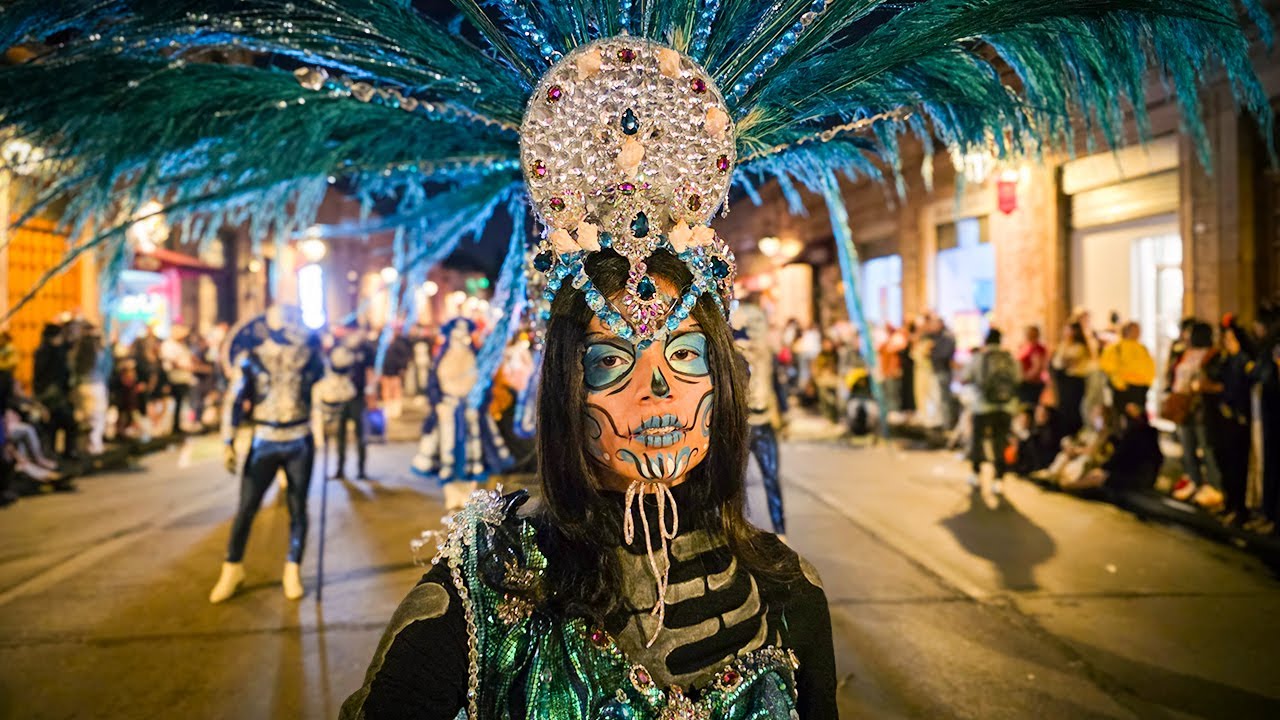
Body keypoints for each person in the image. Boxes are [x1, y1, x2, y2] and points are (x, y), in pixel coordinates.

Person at [343, 250, 836, 719]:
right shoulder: (489, 585)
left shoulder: (790, 587)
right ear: (567, 390)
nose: (657, 389)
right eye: (612, 360)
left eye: (684, 352)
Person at [210, 306, 324, 603]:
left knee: (298, 507)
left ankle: (292, 568)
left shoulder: (309, 355)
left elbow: (324, 388)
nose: (294, 329)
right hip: (265, 439)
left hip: (299, 438)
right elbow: (235, 398)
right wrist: (228, 439)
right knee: (247, 507)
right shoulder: (253, 356)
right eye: (288, 323)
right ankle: (232, 567)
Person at [734, 302, 788, 537]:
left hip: (764, 424)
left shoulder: (767, 357)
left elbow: (776, 385)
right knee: (736, 484)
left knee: (771, 479)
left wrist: (783, 414)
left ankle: (781, 532)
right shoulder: (736, 356)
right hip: (743, 426)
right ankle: (737, 533)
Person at [1166, 321, 1221, 506]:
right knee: (1187, 445)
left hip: (1199, 405)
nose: (1186, 336)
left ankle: (1214, 486)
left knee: (1206, 445)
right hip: (1182, 404)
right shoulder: (1183, 353)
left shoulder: (1211, 354)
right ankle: (1194, 481)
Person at [1205, 318, 1253, 524]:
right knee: (1224, 461)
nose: (1227, 342)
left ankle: (1238, 508)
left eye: (1231, 339)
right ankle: (1229, 503)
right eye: (1225, 338)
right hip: (1220, 418)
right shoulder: (1223, 359)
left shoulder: (1243, 361)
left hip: (1236, 419)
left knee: (1237, 466)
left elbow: (1237, 389)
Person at [963, 329, 1019, 494]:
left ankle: (975, 473)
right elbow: (1018, 378)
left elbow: (966, 376)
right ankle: (999, 478)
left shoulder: (979, 357)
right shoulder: (1009, 358)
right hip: (1006, 406)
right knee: (1000, 441)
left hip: (982, 406)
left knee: (978, 439)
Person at [329, 321, 377, 481]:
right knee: (339, 434)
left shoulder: (365, 348)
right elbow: (331, 371)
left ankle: (361, 470)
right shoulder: (338, 347)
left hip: (358, 396)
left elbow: (370, 371)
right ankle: (340, 469)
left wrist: (371, 394)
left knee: (360, 435)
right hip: (339, 398)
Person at [1097, 321, 1156, 412]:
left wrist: (1148, 383)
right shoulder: (1116, 348)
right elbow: (1109, 368)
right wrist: (1119, 384)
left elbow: (1150, 366)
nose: (1137, 333)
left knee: (1139, 417)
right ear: (1127, 331)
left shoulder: (1142, 348)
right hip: (1124, 388)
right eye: (1134, 330)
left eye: (1138, 330)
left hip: (1141, 388)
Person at [1050, 321, 1092, 438]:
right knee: (1063, 409)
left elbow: (1065, 361)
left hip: (1074, 382)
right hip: (1063, 381)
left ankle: (1074, 434)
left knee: (1072, 410)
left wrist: (1063, 358)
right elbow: (1056, 363)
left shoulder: (1080, 347)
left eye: (1069, 330)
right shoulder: (1063, 345)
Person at [927, 314, 958, 429]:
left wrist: (932, 352)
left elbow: (945, 355)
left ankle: (947, 424)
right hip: (937, 370)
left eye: (934, 324)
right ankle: (940, 422)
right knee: (937, 399)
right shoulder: (936, 337)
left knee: (945, 399)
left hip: (943, 371)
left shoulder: (947, 337)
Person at [1016, 325, 1048, 409]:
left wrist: (1025, 377)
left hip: (1031, 384)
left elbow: (1037, 367)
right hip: (1024, 382)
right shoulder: (1024, 346)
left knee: (1029, 407)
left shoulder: (1037, 348)